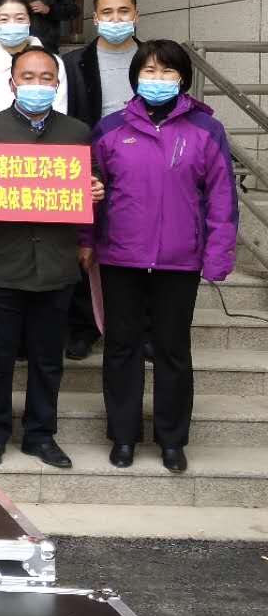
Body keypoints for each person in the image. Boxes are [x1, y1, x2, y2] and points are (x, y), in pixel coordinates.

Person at [84, 40, 237, 474]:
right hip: (121, 257)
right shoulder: (110, 129)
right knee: (121, 348)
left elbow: (222, 198)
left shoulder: (206, 130)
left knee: (173, 350)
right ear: (135, 77)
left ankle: (172, 439)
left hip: (179, 259)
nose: (158, 79)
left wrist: (218, 254)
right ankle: (124, 436)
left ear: (183, 78)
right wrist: (86, 241)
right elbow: (89, 193)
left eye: (167, 71)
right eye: (149, 71)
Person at [0, 48, 103, 470]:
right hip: (3, 261)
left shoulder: (77, 133)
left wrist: (96, 189)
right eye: (28, 77)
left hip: (56, 263)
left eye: (45, 78)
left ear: (57, 84)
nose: (36, 85)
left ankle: (41, 434)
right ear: (12, 83)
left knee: (48, 359)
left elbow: (92, 181)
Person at [61, 0, 142, 360]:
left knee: (137, 246)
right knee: (84, 245)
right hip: (89, 161)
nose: (116, 19)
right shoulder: (73, 63)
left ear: (136, 14)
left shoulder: (152, 59)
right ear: (95, 18)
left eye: (123, 11)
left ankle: (141, 328)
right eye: (107, 12)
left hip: (142, 165)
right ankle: (84, 327)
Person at [0, 0, 68, 130]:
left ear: (29, 21)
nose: (12, 24)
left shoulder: (53, 62)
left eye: (20, 18)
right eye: (4, 19)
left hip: (46, 142)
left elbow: (59, 114)